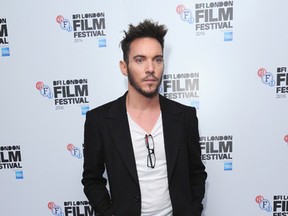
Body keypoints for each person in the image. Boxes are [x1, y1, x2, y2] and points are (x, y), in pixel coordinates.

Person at [82, 19, 207, 216]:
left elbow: (197, 173)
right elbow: (92, 180)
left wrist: (192, 211)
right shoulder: (99, 121)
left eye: (157, 59)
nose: (150, 68)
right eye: (140, 60)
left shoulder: (185, 116)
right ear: (124, 67)